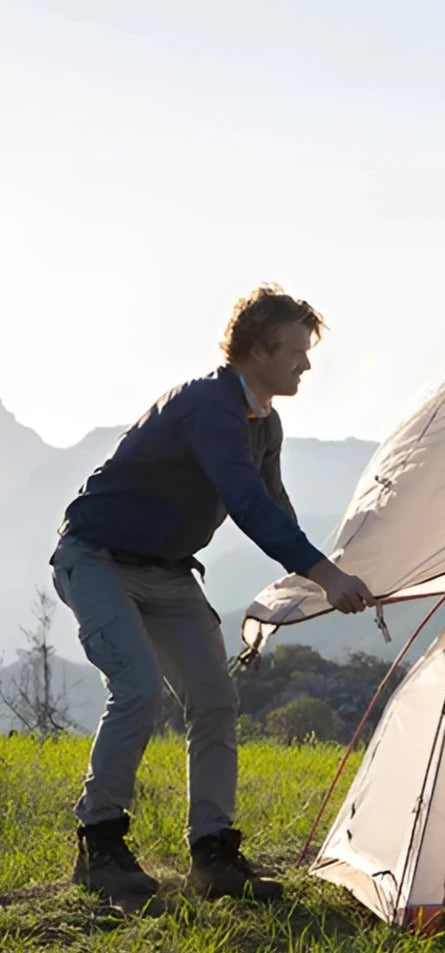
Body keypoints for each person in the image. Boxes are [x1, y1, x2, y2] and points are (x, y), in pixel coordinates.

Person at [51, 285, 375, 903]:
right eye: (296, 352)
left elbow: (275, 504)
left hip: (170, 571)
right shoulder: (207, 407)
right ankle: (100, 843)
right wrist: (326, 576)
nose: (306, 365)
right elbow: (248, 503)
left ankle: (214, 857)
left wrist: (320, 574)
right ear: (257, 349)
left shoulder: (265, 423)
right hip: (96, 559)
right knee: (138, 687)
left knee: (215, 700)